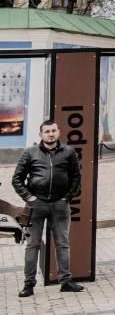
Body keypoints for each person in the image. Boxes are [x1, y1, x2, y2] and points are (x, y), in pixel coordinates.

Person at [11, 119, 84, 296]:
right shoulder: (30, 153)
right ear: (41, 134)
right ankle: (29, 284)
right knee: (32, 245)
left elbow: (76, 178)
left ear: (58, 132)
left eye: (53, 131)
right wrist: (29, 197)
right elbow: (17, 179)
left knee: (62, 244)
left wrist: (67, 198)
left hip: (60, 205)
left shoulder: (68, 152)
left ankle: (65, 281)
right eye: (47, 131)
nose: (50, 134)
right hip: (36, 206)